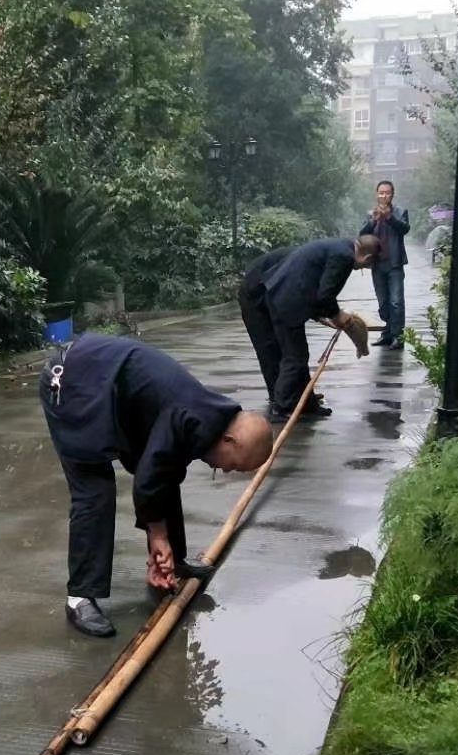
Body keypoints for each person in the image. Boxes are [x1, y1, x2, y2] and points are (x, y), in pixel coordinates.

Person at [40, 331, 273, 638]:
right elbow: (148, 481)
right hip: (70, 382)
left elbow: (163, 472)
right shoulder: (189, 415)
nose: (227, 470)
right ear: (229, 440)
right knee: (95, 490)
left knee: (165, 471)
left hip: (106, 385)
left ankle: (172, 561)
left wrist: (162, 544)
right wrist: (158, 533)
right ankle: (79, 597)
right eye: (235, 465)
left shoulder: (208, 418)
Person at [253, 234, 381, 423]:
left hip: (281, 294)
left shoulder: (341, 245)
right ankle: (280, 409)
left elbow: (314, 285)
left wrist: (327, 315)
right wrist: (337, 314)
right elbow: (325, 295)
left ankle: (306, 405)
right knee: (294, 358)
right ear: (367, 258)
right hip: (286, 300)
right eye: (365, 266)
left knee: (298, 356)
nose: (360, 269)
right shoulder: (345, 257)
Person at [238, 246, 329, 420]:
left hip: (273, 293)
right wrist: (325, 314)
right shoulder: (313, 263)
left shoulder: (314, 261)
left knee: (296, 352)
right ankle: (280, 403)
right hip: (254, 294)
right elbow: (302, 294)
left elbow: (309, 295)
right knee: (272, 350)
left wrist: (322, 314)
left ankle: (304, 401)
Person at [359, 180, 411, 349]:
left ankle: (398, 336)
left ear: (392, 195)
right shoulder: (370, 213)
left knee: (396, 302)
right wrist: (373, 221)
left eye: (387, 193)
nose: (384, 196)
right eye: (381, 193)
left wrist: (389, 217)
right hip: (377, 264)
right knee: (383, 303)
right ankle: (387, 333)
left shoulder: (400, 212)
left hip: (395, 264)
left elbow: (404, 229)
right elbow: (362, 235)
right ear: (377, 195)